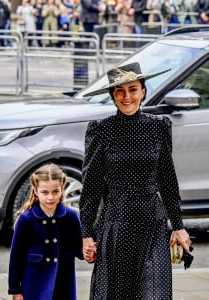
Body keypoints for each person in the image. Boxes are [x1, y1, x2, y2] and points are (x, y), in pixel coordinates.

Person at [79, 62, 192, 299]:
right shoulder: (102, 130)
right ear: (112, 96)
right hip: (116, 224)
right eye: (120, 91)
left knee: (154, 293)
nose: (127, 96)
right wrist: (86, 233)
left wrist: (178, 225)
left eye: (133, 89)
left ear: (143, 92)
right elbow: (91, 187)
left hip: (153, 222)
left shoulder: (159, 127)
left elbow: (167, 179)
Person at [8, 163, 83, 300]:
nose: (50, 197)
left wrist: (90, 247)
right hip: (34, 283)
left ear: (62, 189)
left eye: (55, 191)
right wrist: (15, 289)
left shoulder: (71, 217)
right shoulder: (26, 219)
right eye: (45, 192)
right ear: (36, 191)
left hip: (63, 282)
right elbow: (16, 257)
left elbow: (80, 249)